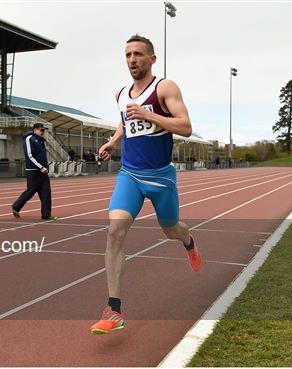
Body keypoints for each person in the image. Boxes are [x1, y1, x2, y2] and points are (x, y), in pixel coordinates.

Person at [89, 35, 202, 335]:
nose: (132, 60)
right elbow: (126, 124)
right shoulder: (121, 94)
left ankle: (188, 241)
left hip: (161, 178)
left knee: (171, 230)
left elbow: (186, 127)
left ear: (152, 59)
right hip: (131, 175)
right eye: (127, 54)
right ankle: (114, 310)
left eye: (138, 54)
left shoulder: (165, 87)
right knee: (115, 231)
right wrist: (113, 143)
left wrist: (150, 113)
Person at [12, 123, 57, 220]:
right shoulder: (29, 139)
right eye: (42, 130)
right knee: (30, 191)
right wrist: (40, 167)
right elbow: (29, 156)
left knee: (46, 192)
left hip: (43, 172)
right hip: (33, 172)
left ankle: (46, 214)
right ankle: (16, 207)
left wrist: (45, 166)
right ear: (35, 130)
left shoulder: (41, 141)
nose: (43, 132)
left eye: (44, 130)